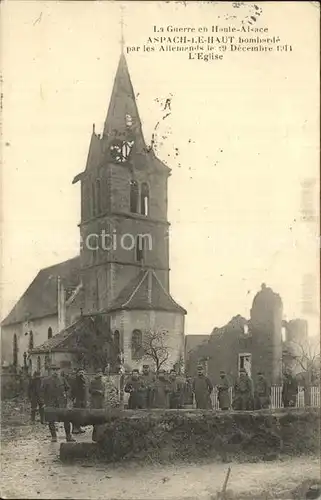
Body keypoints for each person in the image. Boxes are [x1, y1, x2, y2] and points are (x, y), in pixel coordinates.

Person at [42, 364, 75, 442]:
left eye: (57, 370)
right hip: (50, 403)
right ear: (50, 371)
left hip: (62, 403)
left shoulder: (62, 379)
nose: (55, 372)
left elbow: (68, 388)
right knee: (51, 420)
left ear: (59, 371)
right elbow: (42, 392)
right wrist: (43, 402)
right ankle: (54, 437)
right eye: (53, 370)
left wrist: (67, 396)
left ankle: (68, 436)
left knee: (66, 419)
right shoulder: (46, 380)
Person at [71, 368, 87, 434]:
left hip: (82, 399)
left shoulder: (83, 380)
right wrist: (73, 398)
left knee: (80, 414)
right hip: (76, 399)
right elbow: (73, 390)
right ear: (77, 373)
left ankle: (79, 427)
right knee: (75, 413)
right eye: (80, 372)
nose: (81, 374)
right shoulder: (74, 380)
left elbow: (85, 390)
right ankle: (74, 428)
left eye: (82, 373)